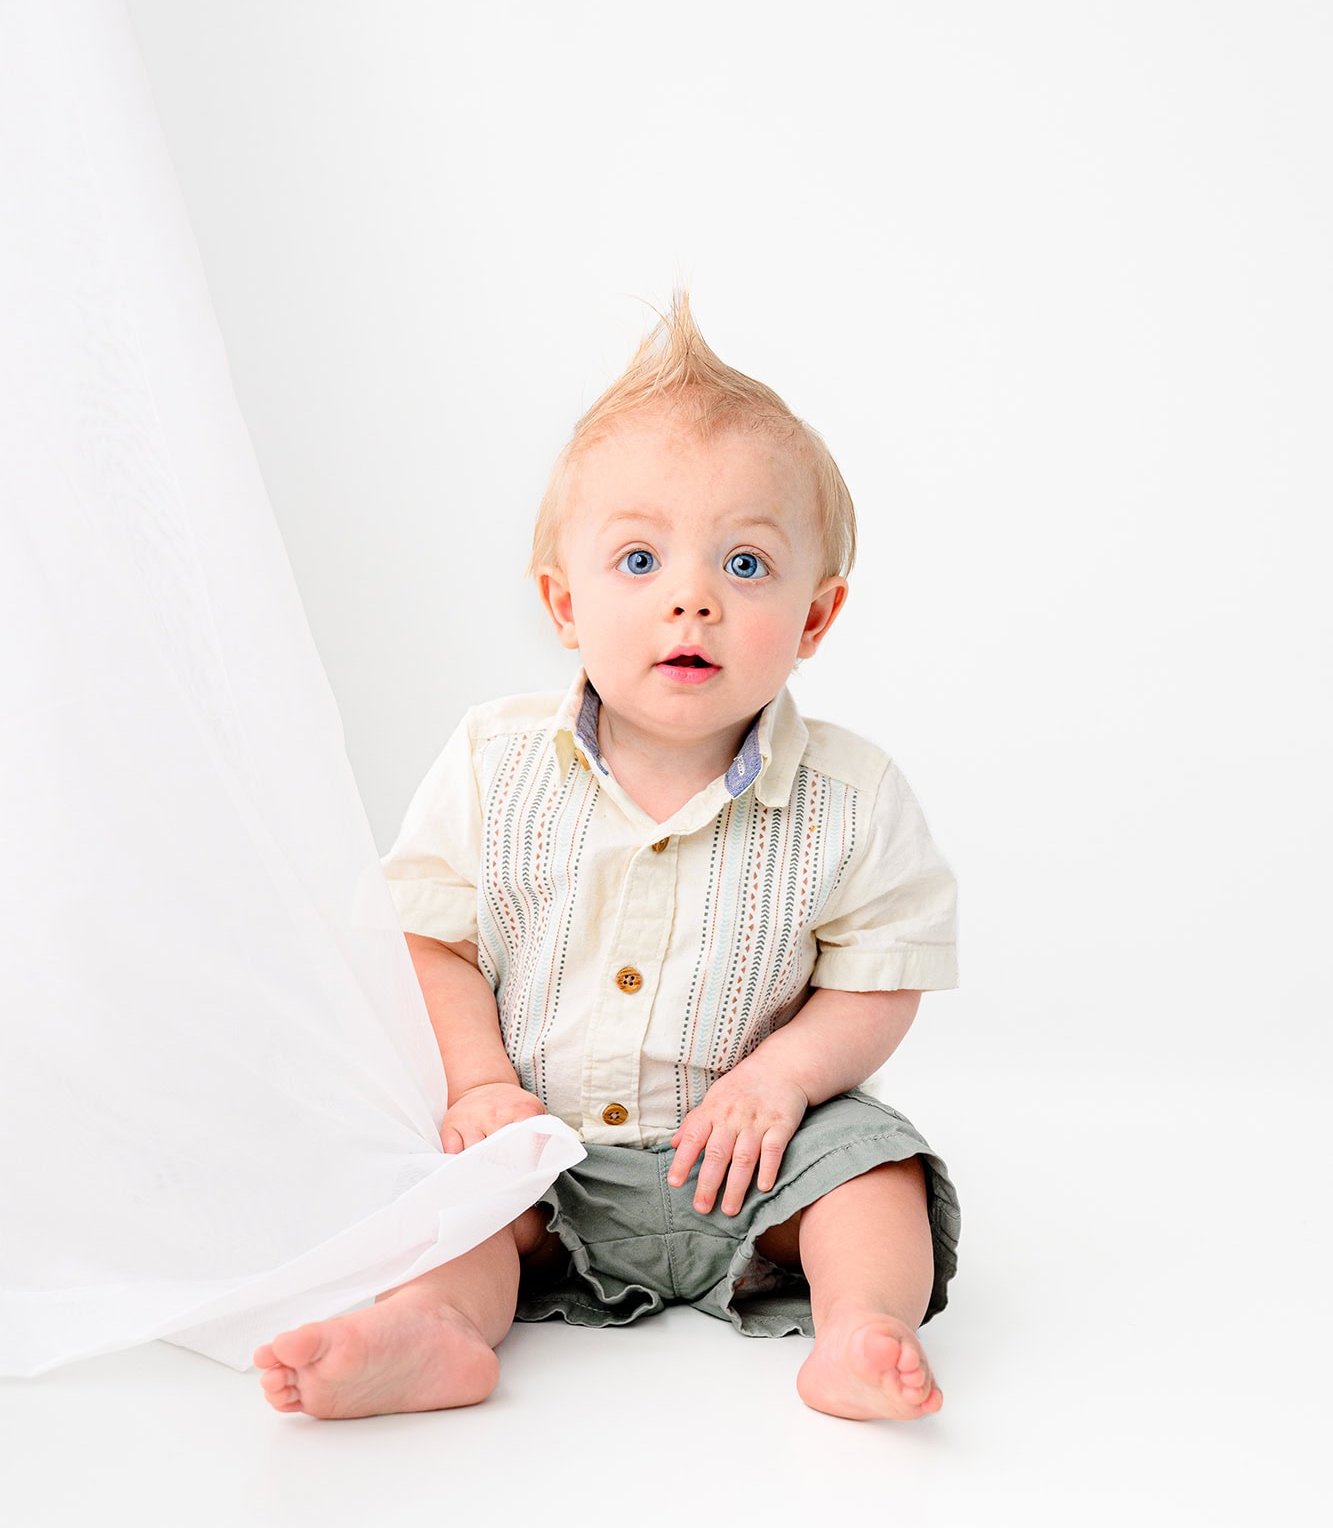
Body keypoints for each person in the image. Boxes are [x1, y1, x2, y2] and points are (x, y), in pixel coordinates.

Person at [253, 294, 961, 1422]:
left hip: (756, 1158)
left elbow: (879, 976)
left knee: (879, 1169)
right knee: (457, 1197)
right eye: (638, 557)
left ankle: (859, 1325)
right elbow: (428, 937)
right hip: (546, 1148)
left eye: (744, 562)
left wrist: (784, 1078)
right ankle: (431, 1325)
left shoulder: (853, 794)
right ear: (562, 602)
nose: (691, 596)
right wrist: (483, 1084)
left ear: (816, 615)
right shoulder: (495, 762)